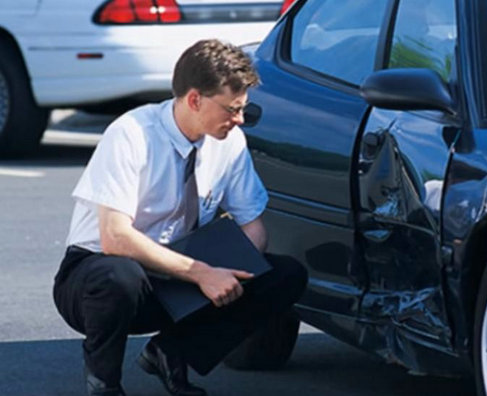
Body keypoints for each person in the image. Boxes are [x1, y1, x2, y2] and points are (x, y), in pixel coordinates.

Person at [52, 39, 307, 396]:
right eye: (231, 110)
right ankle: (104, 382)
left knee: (285, 274)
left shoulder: (229, 142)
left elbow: (254, 227)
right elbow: (114, 238)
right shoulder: (132, 134)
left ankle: (170, 352)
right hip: (101, 274)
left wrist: (232, 274)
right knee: (118, 275)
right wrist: (202, 273)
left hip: (181, 267)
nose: (238, 120)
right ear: (194, 99)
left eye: (243, 110)